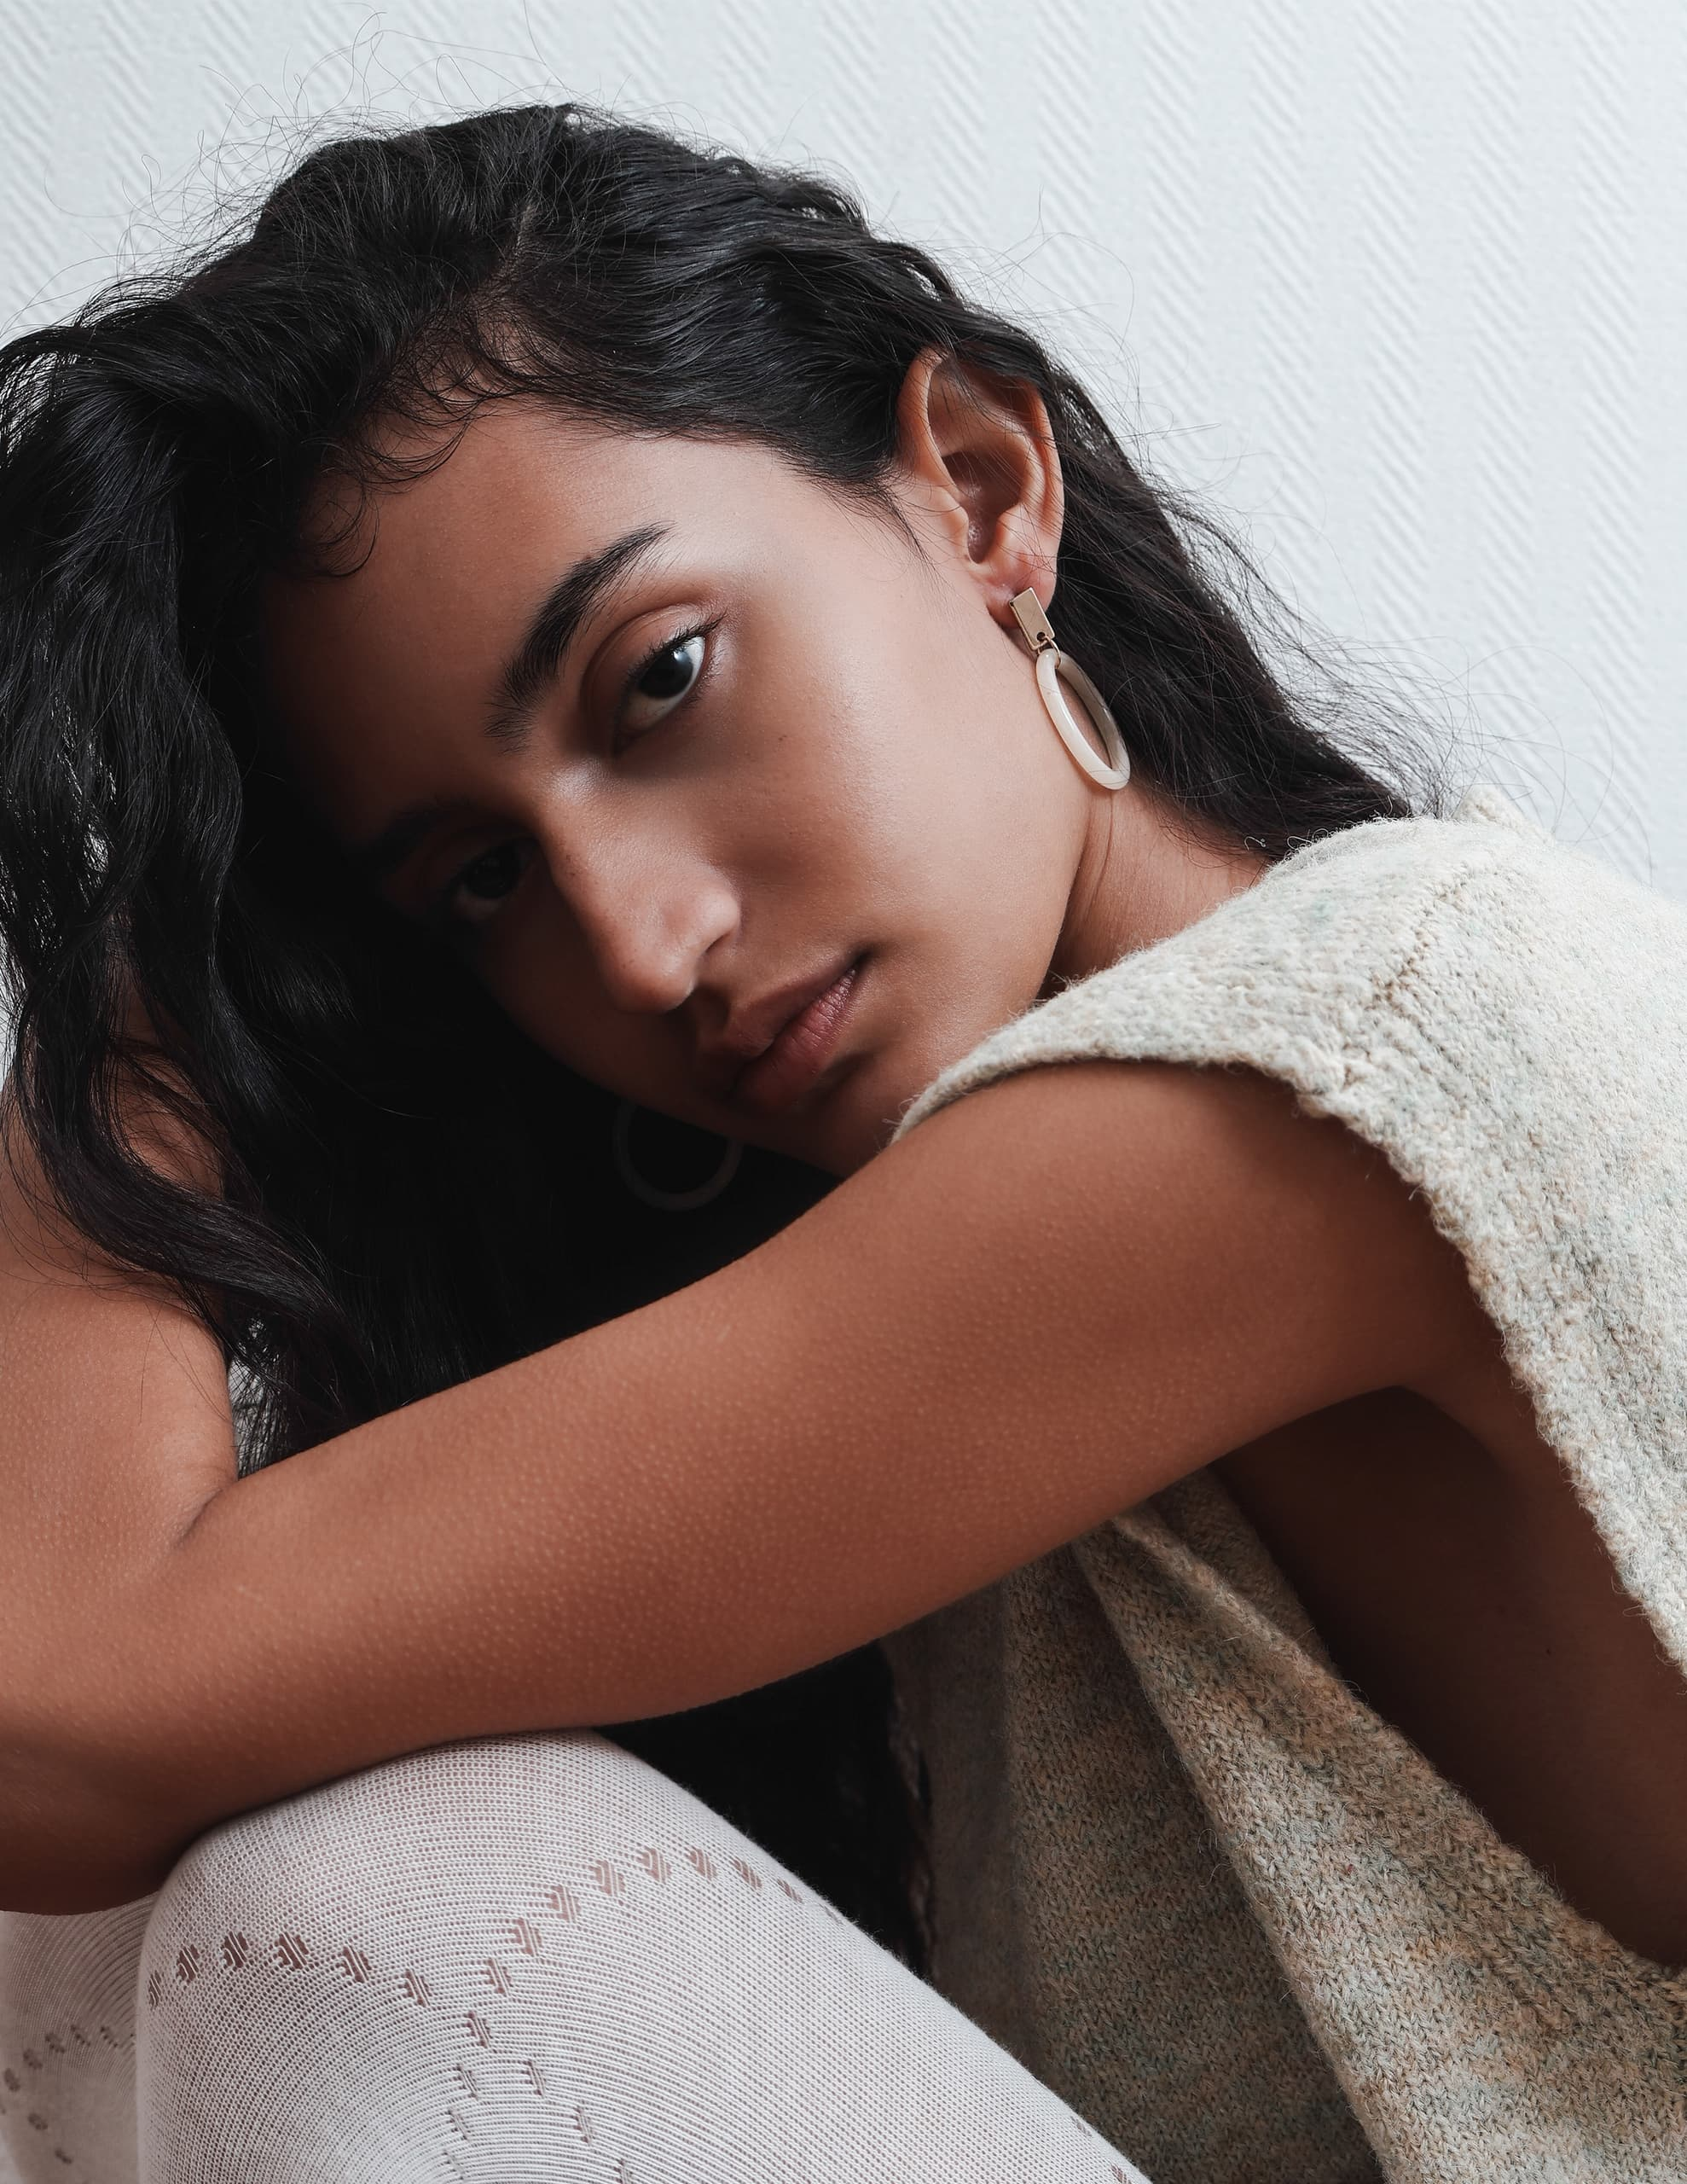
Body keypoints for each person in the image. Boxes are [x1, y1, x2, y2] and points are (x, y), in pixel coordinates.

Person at [0, 98, 1683, 2184]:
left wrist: (143, 960)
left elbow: (50, 1698)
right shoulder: (1031, 1243)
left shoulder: (1325, 1068)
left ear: (978, 491)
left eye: (660, 678)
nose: (637, 939)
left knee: (357, 1888)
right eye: (476, 883)